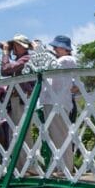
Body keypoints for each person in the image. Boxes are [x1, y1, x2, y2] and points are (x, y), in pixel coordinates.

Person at [39, 35, 78, 176]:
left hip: (58, 102)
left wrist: (39, 52)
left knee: (60, 135)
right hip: (52, 101)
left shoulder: (67, 59)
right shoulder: (61, 60)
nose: (54, 49)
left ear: (65, 48)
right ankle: (58, 166)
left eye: (56, 46)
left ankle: (65, 168)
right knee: (55, 136)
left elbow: (50, 66)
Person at [0, 34, 35, 169]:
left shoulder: (27, 58)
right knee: (15, 133)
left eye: (14, 45)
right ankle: (21, 167)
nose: (12, 47)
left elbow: (5, 70)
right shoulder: (20, 59)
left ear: (21, 46)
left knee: (23, 133)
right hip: (16, 99)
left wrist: (5, 52)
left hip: (21, 99)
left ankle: (28, 167)